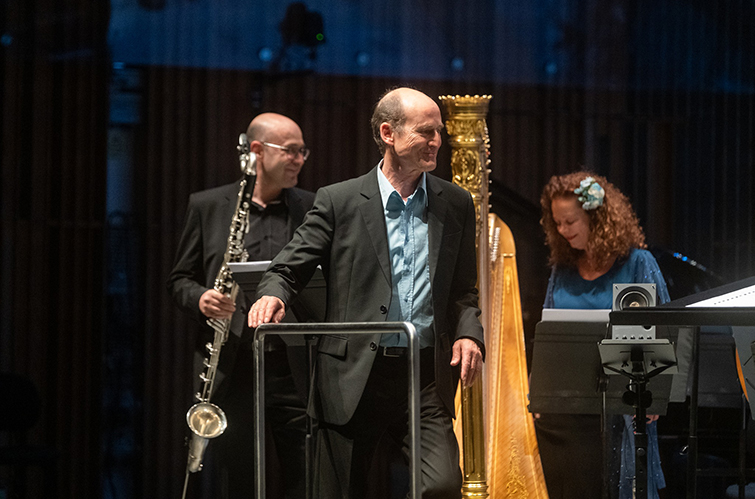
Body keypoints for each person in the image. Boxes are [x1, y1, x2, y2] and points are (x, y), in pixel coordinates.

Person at [248, 87, 484, 498]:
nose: (437, 142)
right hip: (353, 371)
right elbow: (287, 267)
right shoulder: (339, 201)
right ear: (389, 133)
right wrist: (274, 294)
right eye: (425, 132)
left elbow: (464, 291)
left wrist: (468, 333)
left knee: (442, 486)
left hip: (424, 373)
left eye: (439, 132)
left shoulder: (456, 202)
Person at [166, 112, 315, 499]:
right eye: (292, 151)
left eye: (303, 152)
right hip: (234, 365)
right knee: (242, 477)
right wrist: (200, 297)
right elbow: (179, 280)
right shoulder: (208, 205)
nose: (300, 159)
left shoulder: (313, 208)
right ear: (257, 150)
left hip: (292, 365)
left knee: (305, 473)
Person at [537, 171, 670, 499]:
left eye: (570, 221)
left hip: (621, 411)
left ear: (597, 217)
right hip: (569, 413)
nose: (563, 231)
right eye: (557, 223)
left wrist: (652, 390)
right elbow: (548, 335)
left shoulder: (637, 263)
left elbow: (660, 331)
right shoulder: (562, 270)